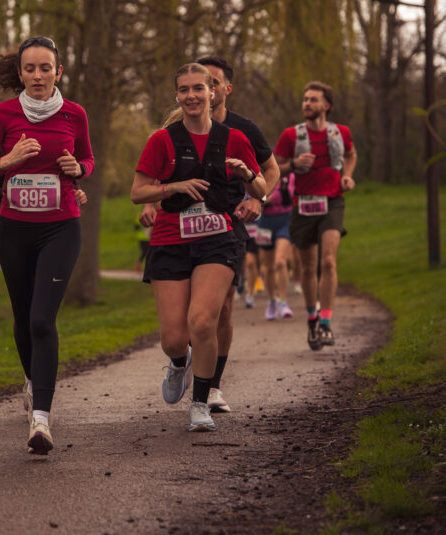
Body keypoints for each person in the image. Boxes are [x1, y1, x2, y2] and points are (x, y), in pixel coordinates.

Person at [0, 35, 94, 455]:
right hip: (15, 229)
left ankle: (40, 419)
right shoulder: (4, 114)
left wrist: (79, 168)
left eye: (46, 68)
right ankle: (32, 380)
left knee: (43, 319)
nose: (38, 76)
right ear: (19, 73)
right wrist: (10, 161)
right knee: (24, 318)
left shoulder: (75, 114)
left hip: (61, 227)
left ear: (58, 72)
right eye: (30, 69)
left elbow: (89, 161)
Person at [139, 56, 279, 414]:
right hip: (172, 237)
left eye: (200, 87)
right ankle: (179, 361)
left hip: (221, 233)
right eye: (184, 90)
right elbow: (142, 187)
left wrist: (251, 187)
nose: (193, 95)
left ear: (215, 90)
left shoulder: (239, 133)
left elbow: (264, 181)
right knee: (174, 337)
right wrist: (166, 193)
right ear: (177, 95)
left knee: (206, 318)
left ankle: (205, 396)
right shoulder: (164, 137)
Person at [274, 81, 356, 350]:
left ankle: (326, 323)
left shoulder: (340, 132)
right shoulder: (290, 136)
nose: (306, 104)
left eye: (312, 100)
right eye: (305, 99)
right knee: (308, 268)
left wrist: (346, 176)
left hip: (333, 202)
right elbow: (273, 168)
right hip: (303, 206)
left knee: (329, 262)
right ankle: (312, 320)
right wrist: (295, 165)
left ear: (326, 106)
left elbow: (351, 154)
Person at [256, 175, 297, 320]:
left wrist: (278, 194)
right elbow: (252, 196)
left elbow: (293, 195)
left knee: (280, 261)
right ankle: (272, 300)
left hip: (285, 220)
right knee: (269, 266)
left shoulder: (290, 177)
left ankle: (283, 301)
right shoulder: (260, 177)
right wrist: (263, 199)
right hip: (266, 223)